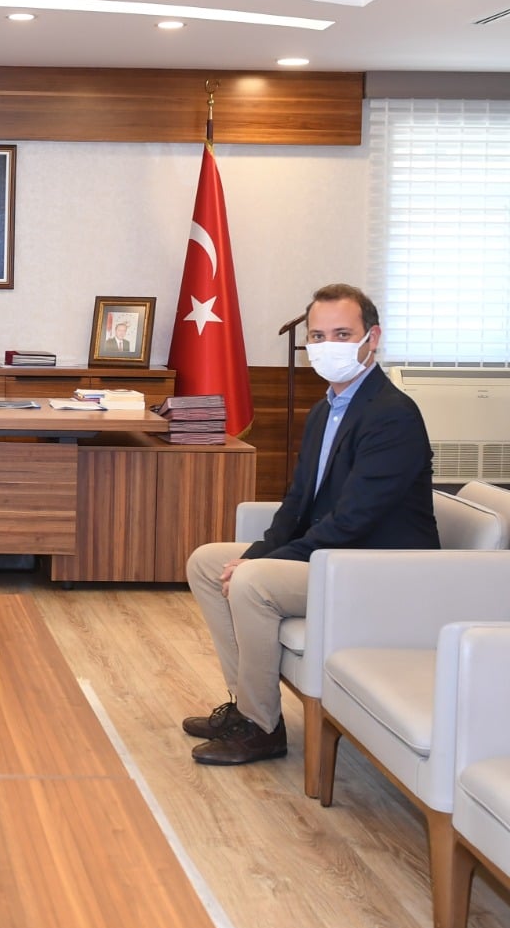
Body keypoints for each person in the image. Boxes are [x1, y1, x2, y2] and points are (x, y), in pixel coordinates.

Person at [183, 283, 438, 766]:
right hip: (336, 558)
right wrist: (255, 553)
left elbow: (353, 520)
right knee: (207, 562)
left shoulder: (393, 416)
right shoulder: (325, 410)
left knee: (252, 582)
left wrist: (258, 565)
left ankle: (261, 728)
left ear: (372, 338)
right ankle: (246, 707)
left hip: (379, 569)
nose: (327, 346)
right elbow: (298, 502)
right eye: (318, 337)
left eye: (342, 334)